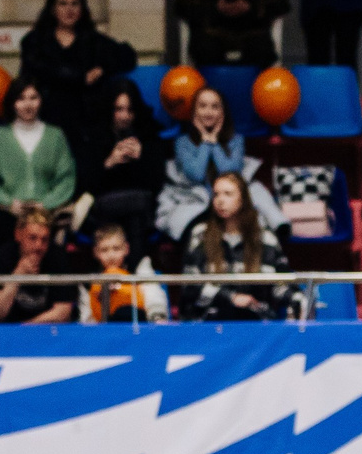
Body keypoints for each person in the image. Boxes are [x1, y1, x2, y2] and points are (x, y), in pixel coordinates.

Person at [21, 0, 137, 139]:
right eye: (63, 3)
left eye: (75, 4)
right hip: (46, 114)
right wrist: (81, 78)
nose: (69, 9)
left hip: (85, 120)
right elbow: (42, 70)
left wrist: (103, 68)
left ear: (82, 9)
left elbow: (128, 55)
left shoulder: (93, 39)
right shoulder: (35, 40)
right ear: (53, 9)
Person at [181, 171, 295, 322]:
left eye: (228, 194)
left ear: (243, 199)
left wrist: (296, 298)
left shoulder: (265, 238)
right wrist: (230, 297)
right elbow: (190, 287)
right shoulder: (200, 234)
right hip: (209, 322)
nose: (220, 200)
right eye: (216, 194)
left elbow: (281, 284)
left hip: (256, 323)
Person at [0, 78, 79, 235]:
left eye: (33, 98)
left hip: (47, 213)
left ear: (41, 101)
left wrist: (46, 204)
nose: (28, 105)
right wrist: (9, 203)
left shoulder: (55, 136)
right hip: (8, 212)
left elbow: (66, 179)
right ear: (12, 103)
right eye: (21, 99)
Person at [70, 80, 166, 250]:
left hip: (140, 211)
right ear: (109, 109)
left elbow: (156, 184)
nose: (124, 116)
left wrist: (141, 158)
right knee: (134, 206)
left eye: (130, 110)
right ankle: (138, 268)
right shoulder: (92, 137)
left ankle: (119, 270)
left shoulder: (149, 136)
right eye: (119, 109)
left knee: (136, 212)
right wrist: (109, 162)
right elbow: (85, 184)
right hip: (101, 209)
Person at [154, 85, 251, 241]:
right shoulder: (182, 142)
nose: (208, 112)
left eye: (214, 107)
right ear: (194, 111)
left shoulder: (236, 140)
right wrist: (206, 142)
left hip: (227, 203)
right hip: (195, 202)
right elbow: (196, 175)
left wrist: (215, 142)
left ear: (223, 112)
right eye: (203, 106)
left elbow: (229, 174)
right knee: (195, 229)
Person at [0, 202, 74, 326]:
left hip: (46, 332)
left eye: (44, 240)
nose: (39, 246)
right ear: (18, 235)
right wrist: (17, 276)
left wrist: (24, 329)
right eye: (32, 238)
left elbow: (63, 313)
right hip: (5, 332)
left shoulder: (58, 257)